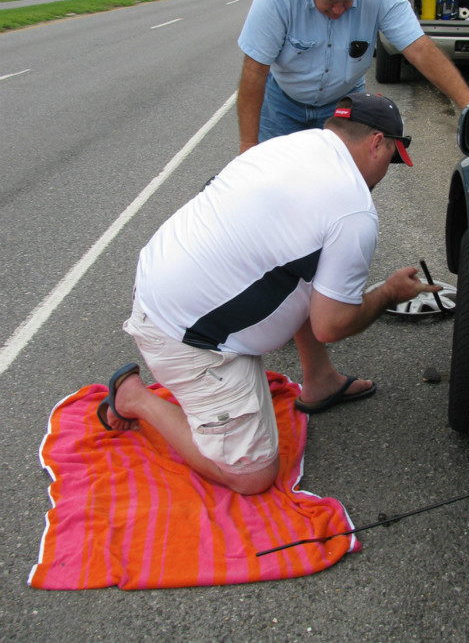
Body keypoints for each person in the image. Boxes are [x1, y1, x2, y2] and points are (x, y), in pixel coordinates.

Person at [97, 93, 440, 496]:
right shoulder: (354, 209)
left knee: (317, 267)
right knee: (253, 475)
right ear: (377, 142)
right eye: (391, 159)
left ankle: (321, 380)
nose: (386, 172)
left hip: (161, 279)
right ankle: (134, 397)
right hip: (186, 338)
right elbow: (332, 325)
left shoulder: (288, 144)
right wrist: (387, 294)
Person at [236, 0, 469, 153]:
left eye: (348, 0)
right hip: (282, 102)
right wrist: (248, 145)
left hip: (342, 101)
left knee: (340, 185)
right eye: (330, 2)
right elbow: (255, 69)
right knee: (275, 182)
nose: (339, 10)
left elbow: (420, 50)